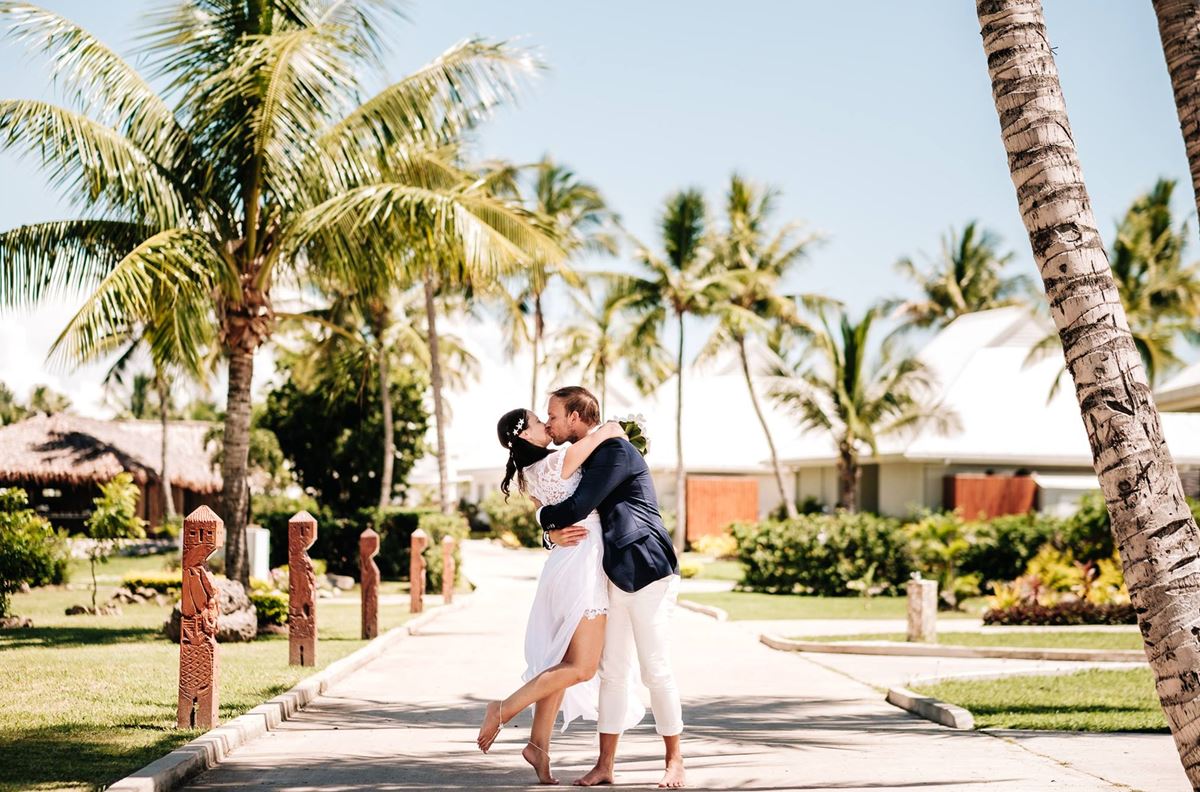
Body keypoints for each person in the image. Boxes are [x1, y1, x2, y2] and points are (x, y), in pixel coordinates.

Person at [478, 407, 643, 785]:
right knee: (582, 667)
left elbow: (544, 514)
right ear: (524, 436)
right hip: (582, 565)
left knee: (559, 662)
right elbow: (602, 436)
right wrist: (617, 428)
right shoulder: (556, 461)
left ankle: (538, 745)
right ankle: (502, 709)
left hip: (565, 563)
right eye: (539, 422)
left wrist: (546, 531)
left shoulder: (530, 474)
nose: (547, 425)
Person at [538, 386, 686, 789]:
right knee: (613, 671)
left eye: (552, 414)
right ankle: (605, 765)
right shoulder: (592, 453)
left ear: (574, 416)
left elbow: (576, 508)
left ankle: (675, 761)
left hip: (647, 566)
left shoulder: (614, 452)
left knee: (655, 669)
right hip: (613, 571)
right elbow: (576, 517)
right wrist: (550, 536)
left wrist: (541, 518)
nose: (548, 421)